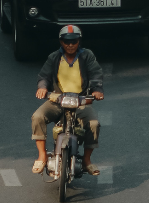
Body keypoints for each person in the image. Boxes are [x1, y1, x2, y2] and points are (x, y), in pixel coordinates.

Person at [32, 24, 104, 175]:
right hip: (57, 100)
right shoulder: (54, 57)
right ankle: (42, 156)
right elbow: (43, 76)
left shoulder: (87, 56)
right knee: (37, 117)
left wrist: (97, 90)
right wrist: (42, 87)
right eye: (66, 42)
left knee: (94, 124)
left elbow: (96, 74)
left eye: (74, 41)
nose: (70, 45)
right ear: (61, 42)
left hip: (81, 101)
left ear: (79, 41)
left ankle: (86, 160)